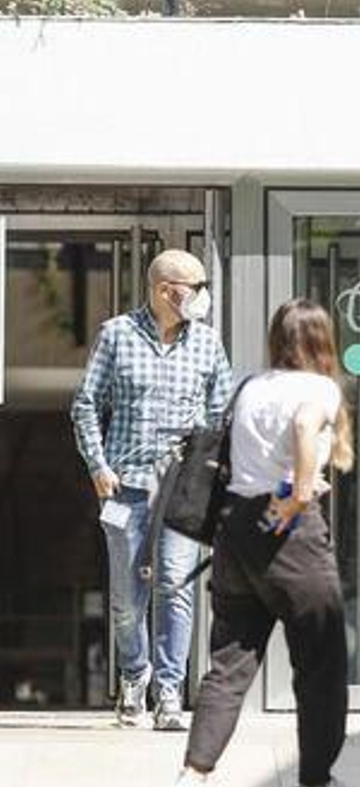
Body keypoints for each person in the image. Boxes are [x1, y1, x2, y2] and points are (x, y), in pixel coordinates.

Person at [166, 299, 360, 787]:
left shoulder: (251, 387)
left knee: (229, 665)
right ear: (322, 342)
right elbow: (304, 426)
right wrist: (300, 493)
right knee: (321, 664)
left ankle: (194, 777)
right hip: (289, 534)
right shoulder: (318, 388)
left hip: (235, 532)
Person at [71, 249, 232, 730]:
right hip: (125, 488)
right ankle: (134, 677)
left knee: (176, 589)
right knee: (127, 598)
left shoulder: (208, 344)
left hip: (182, 492)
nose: (203, 296)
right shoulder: (117, 334)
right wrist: (97, 466)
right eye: (196, 286)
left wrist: (209, 474)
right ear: (166, 290)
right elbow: (85, 405)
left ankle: (168, 694)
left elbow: (222, 417)